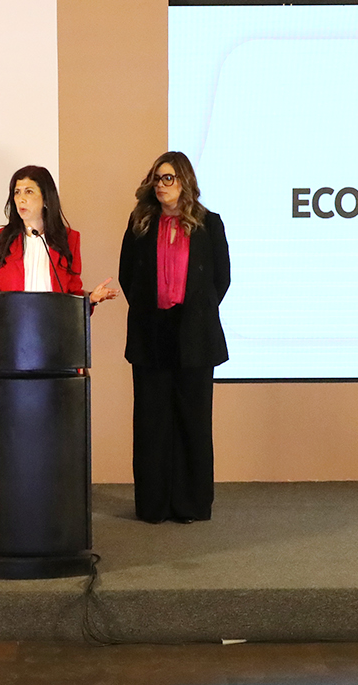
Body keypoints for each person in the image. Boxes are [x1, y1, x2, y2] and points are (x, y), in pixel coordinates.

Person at [118, 151, 230, 524]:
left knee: (192, 421)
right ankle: (153, 505)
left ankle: (191, 504)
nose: (161, 185)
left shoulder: (209, 224)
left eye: (168, 178)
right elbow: (128, 275)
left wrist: (195, 311)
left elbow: (221, 279)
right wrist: (152, 310)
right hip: (151, 332)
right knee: (151, 422)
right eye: (157, 178)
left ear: (185, 181)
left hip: (194, 333)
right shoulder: (140, 223)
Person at [0, 165, 118, 304]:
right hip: (12, 330)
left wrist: (91, 299)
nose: (21, 199)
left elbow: (72, 294)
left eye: (29, 192)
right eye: (17, 192)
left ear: (46, 198)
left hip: (55, 330)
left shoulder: (69, 239)